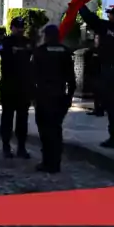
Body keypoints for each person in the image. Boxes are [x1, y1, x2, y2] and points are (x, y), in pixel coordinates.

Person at [78, 5, 114, 150]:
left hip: (110, 73)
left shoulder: (106, 28)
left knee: (112, 107)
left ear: (112, 16)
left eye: (110, 14)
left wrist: (80, 4)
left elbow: (90, 18)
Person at [32, 24, 76, 173]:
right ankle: (56, 162)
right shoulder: (65, 51)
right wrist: (69, 97)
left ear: (46, 36)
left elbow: (32, 77)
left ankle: (47, 161)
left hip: (44, 96)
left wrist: (33, 96)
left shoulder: (40, 52)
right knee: (56, 130)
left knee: (45, 130)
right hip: (60, 95)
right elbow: (72, 78)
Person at [0, 16, 34, 159]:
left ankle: (21, 147)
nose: (20, 29)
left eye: (22, 27)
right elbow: (5, 56)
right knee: (7, 117)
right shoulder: (5, 42)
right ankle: (6, 146)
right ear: (11, 28)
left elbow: (31, 59)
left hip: (23, 85)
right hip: (9, 85)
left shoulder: (28, 42)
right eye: (17, 27)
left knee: (22, 118)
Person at [85, 34, 104, 117]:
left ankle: (100, 109)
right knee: (95, 93)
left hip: (101, 74)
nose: (97, 40)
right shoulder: (92, 49)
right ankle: (97, 109)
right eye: (96, 38)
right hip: (93, 73)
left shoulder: (103, 50)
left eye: (98, 38)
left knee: (100, 92)